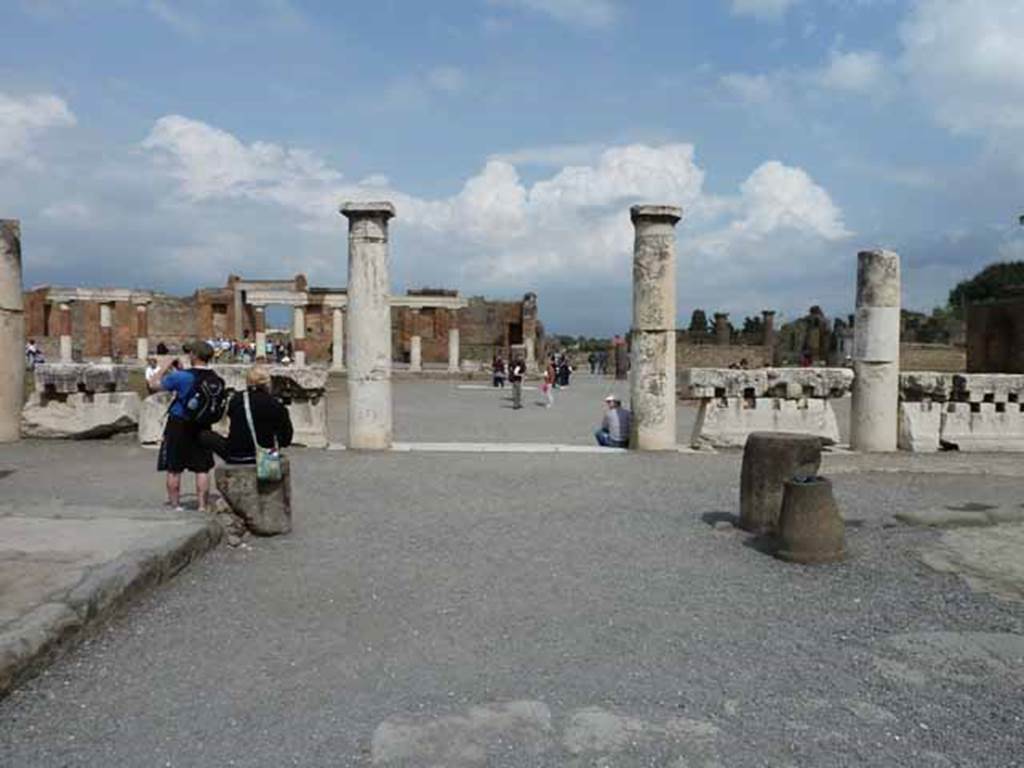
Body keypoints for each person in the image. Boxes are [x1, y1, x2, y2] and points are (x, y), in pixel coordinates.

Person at [154, 341, 224, 512]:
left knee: (174, 467)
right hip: (203, 424)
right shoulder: (215, 377)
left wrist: (164, 367)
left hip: (179, 423)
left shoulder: (182, 376)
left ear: (193, 355)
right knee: (202, 468)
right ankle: (202, 505)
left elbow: (153, 384)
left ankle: (175, 505)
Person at [202, 365, 293, 464]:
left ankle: (202, 467)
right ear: (268, 384)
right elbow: (286, 438)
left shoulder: (237, 400)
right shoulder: (276, 405)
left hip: (236, 455)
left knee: (205, 435)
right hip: (265, 455)